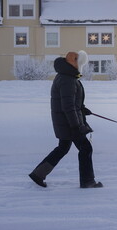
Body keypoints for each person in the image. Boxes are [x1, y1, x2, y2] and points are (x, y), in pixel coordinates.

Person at [29, 50, 103, 188]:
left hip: (65, 121)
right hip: (69, 123)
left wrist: (82, 109)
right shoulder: (67, 79)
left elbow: (71, 102)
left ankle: (38, 174)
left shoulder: (66, 76)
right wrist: (76, 126)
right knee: (86, 148)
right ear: (74, 63)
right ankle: (88, 181)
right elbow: (68, 106)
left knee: (63, 148)